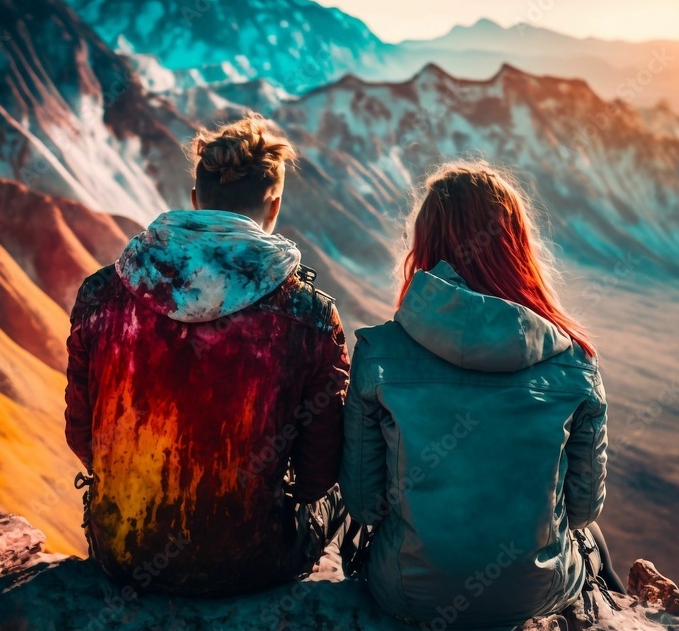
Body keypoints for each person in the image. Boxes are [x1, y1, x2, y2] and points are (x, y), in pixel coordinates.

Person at [64, 116, 353, 596]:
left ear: (195, 201)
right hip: (253, 561)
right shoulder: (310, 316)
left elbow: (83, 437)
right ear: (274, 207)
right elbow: (317, 473)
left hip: (122, 553)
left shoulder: (102, 292)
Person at [339, 162, 625, 628]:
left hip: (407, 592)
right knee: (596, 542)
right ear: (516, 250)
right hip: (534, 593)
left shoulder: (379, 353)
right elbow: (582, 509)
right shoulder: (573, 360)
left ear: (424, 246)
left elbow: (364, 503)